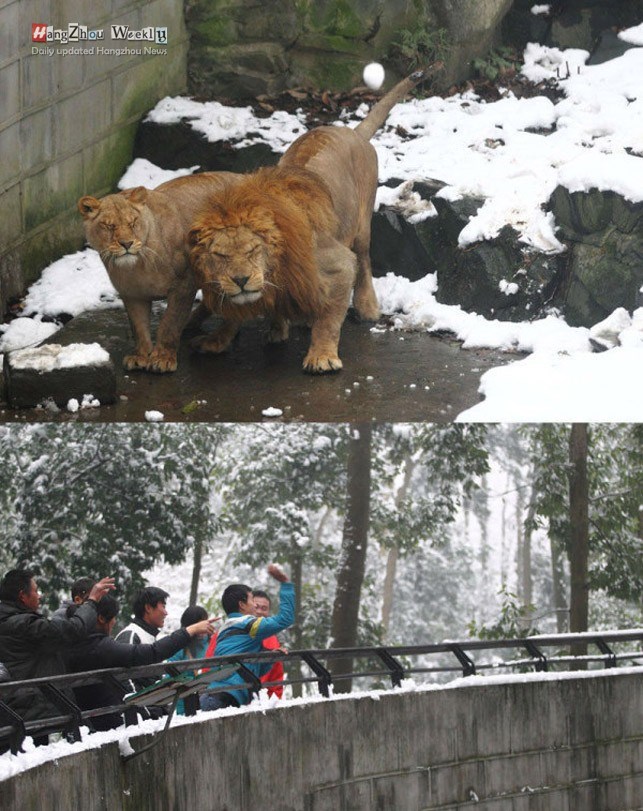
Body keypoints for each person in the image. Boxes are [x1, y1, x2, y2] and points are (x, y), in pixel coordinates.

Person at [67, 595, 216, 730]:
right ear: (101, 618)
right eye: (162, 606)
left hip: (91, 721)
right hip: (109, 722)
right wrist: (190, 630)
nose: (115, 622)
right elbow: (152, 653)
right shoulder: (104, 645)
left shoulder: (71, 645)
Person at [0, 568, 114, 737]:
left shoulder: (9, 622)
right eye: (36, 590)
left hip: (28, 709)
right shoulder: (26, 625)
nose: (39, 596)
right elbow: (74, 630)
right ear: (23, 596)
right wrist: (91, 601)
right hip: (41, 712)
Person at [200, 564, 294, 712]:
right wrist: (286, 583)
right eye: (252, 602)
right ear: (242, 605)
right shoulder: (249, 624)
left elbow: (251, 668)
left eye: (263, 607)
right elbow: (286, 619)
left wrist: (270, 657)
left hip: (216, 696)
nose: (256, 608)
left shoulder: (226, 628)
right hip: (224, 698)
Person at [166, 605, 214, 715]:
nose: (204, 627)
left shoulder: (211, 642)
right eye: (199, 624)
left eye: (205, 622)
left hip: (209, 697)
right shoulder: (179, 646)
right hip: (185, 701)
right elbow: (169, 674)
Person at [252, 589, 286, 699]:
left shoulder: (274, 638)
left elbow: (277, 677)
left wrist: (275, 701)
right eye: (256, 607)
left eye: (264, 609)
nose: (259, 612)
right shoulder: (232, 631)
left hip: (263, 699)